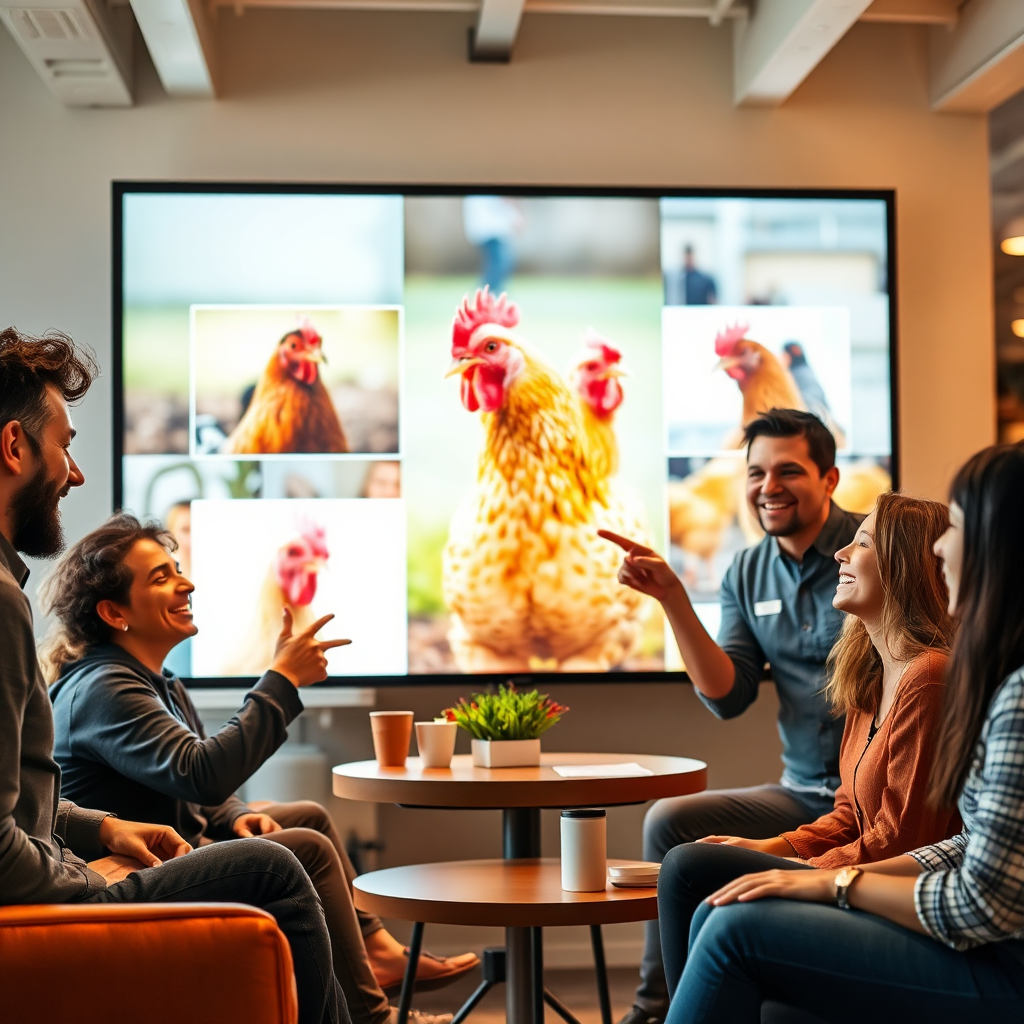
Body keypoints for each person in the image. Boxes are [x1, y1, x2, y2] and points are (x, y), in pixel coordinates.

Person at [0, 327, 346, 1024]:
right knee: (276, 864)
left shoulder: (153, 677)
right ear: (14, 447)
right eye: (65, 444)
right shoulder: (27, 624)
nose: (76, 473)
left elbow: (18, 809)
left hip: (55, 862)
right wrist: (80, 872)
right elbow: (199, 773)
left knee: (291, 835)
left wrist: (100, 830)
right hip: (35, 900)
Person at [43, 513, 479, 1024]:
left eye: (177, 568)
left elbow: (187, 776)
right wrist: (282, 681)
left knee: (308, 817)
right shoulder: (104, 688)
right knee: (306, 848)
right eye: (161, 577)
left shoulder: (153, 680)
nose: (187, 583)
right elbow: (200, 771)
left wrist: (232, 815)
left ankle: (376, 951)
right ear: (115, 613)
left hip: (174, 843)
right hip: (132, 869)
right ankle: (375, 1018)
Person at [662, 443, 1024, 1023]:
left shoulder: (944, 680)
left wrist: (828, 882)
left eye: (955, 527)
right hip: (947, 915)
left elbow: (960, 884)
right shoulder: (873, 670)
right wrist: (780, 854)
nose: (941, 547)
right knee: (707, 894)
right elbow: (955, 844)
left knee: (722, 915)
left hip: (995, 960)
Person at [601, 408, 862, 1024]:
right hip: (801, 791)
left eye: (788, 471)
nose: (768, 487)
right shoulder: (746, 570)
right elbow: (727, 695)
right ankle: (657, 1007)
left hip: (871, 794)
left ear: (828, 478)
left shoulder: (869, 550)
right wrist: (672, 599)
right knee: (669, 822)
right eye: (755, 473)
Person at [655, 492, 961, 983]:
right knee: (694, 866)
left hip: (898, 900)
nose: (840, 554)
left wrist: (807, 871)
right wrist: (771, 847)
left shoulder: (929, 677)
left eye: (862, 542)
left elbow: (903, 842)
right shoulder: (871, 675)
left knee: (690, 868)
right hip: (857, 872)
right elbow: (849, 814)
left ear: (902, 566)